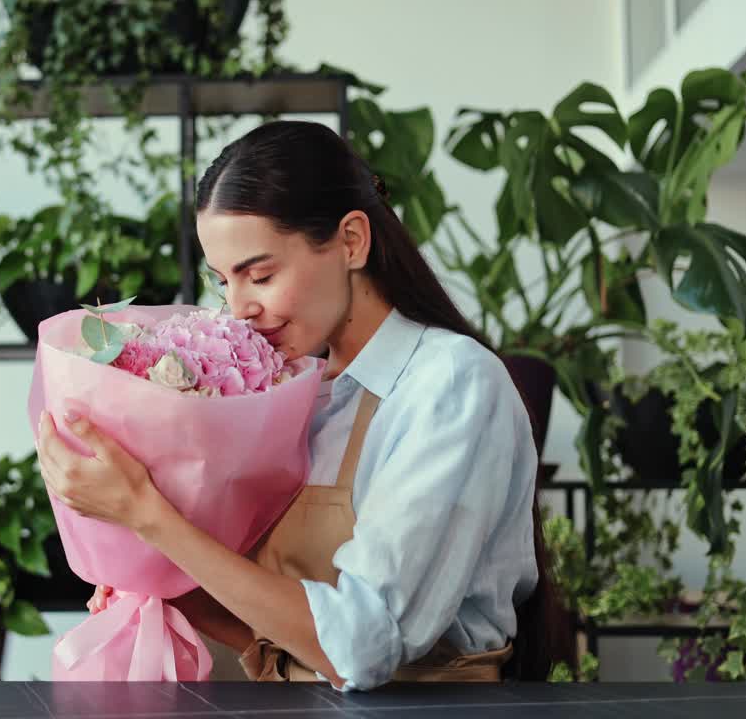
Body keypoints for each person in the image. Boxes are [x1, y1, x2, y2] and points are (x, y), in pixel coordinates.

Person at [34, 120, 572, 690]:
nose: (238, 308)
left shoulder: (453, 385)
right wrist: (150, 575)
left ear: (351, 241)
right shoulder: (295, 394)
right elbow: (277, 635)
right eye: (224, 282)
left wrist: (150, 516)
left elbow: (360, 648)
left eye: (260, 274)